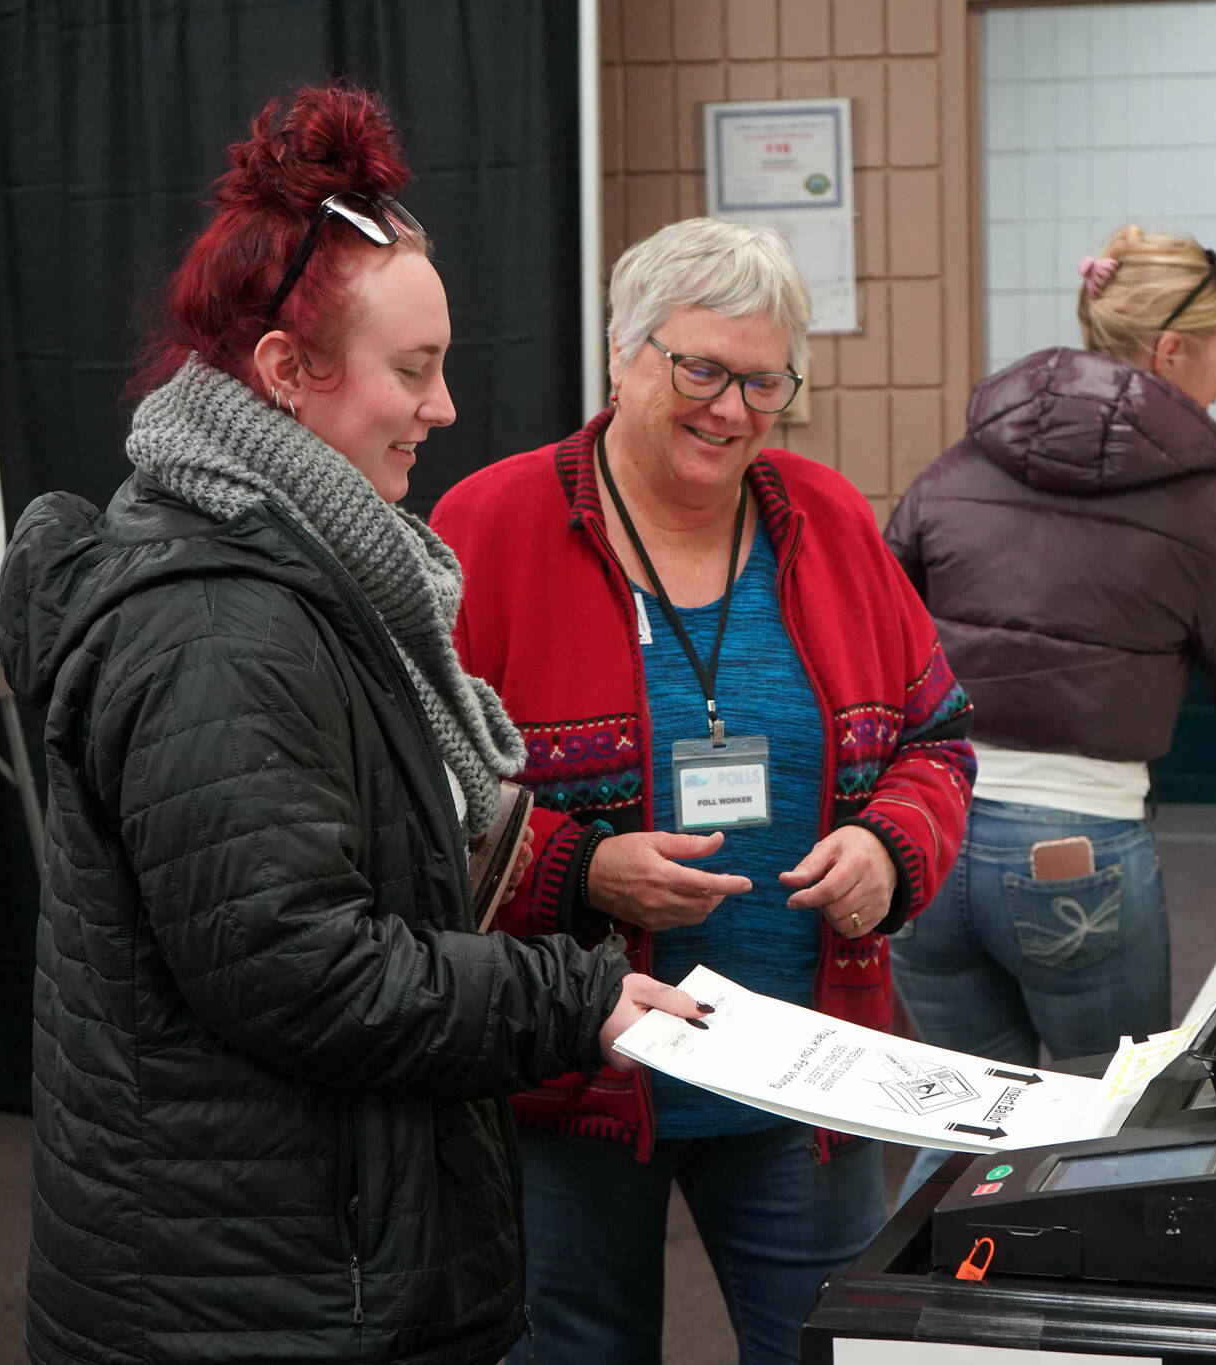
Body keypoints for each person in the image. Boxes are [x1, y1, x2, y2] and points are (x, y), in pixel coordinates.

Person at [0, 84, 703, 1365]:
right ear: (283, 372)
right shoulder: (218, 624)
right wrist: (577, 1000)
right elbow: (299, 972)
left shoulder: (312, 576)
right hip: (253, 1293)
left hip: (302, 1255)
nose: (442, 408)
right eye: (414, 370)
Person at [428, 216, 975, 1365]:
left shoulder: (823, 520)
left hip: (802, 1076)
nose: (730, 409)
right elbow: (423, 799)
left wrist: (885, 849)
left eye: (764, 380)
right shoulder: (490, 527)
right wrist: (582, 872)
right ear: (623, 356)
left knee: (831, 1349)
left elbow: (938, 739)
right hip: (568, 1070)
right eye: (700, 369)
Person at [882, 225, 1216, 1195]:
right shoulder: (1206, 510)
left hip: (924, 838)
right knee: (1115, 1125)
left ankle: (896, 1328)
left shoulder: (952, 471)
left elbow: (874, 633)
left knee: (958, 1124)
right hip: (1073, 853)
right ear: (1168, 354)